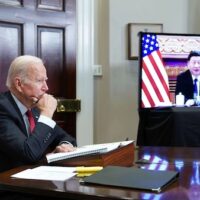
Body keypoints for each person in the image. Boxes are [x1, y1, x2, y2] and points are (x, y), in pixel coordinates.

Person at [0, 55, 77, 173]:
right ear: (19, 84)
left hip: (34, 181)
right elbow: (28, 154)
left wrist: (65, 146)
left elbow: (67, 138)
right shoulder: (3, 108)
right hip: (9, 185)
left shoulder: (34, 107)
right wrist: (46, 113)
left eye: (45, 80)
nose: (46, 87)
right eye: (39, 81)